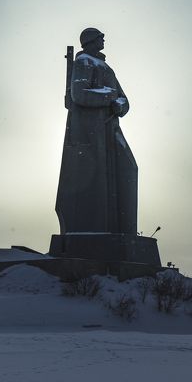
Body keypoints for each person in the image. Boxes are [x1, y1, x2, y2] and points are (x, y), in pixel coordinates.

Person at [55, 27, 138, 235]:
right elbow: (79, 95)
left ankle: (124, 231)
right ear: (90, 41)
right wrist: (109, 97)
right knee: (95, 182)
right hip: (91, 131)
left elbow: (124, 99)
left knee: (129, 169)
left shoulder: (106, 67)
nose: (103, 40)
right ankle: (93, 230)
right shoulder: (84, 62)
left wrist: (120, 104)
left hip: (110, 129)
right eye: (100, 38)